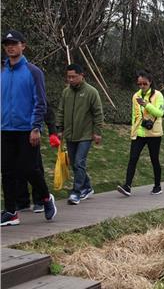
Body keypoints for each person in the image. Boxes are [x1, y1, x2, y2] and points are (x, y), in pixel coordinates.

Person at [1, 30, 57, 226]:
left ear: (23, 46)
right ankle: (11, 212)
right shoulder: (2, 72)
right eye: (7, 44)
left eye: (14, 43)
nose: (10, 47)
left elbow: (40, 102)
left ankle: (46, 198)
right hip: (6, 129)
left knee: (28, 169)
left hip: (26, 129)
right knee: (7, 171)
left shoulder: (33, 72)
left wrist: (36, 127)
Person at [56, 63, 104, 205]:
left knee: (79, 162)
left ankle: (76, 192)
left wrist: (97, 132)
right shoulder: (66, 92)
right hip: (70, 134)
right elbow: (61, 111)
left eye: (73, 77)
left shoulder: (91, 92)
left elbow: (98, 113)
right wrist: (59, 129)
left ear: (81, 75)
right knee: (74, 163)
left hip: (85, 135)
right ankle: (87, 186)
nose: (70, 79)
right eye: (68, 77)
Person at [117, 70, 164, 196]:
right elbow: (135, 115)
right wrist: (133, 130)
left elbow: (160, 113)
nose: (142, 86)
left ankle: (157, 186)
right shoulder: (135, 96)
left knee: (154, 159)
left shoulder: (158, 95)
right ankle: (127, 186)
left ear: (150, 82)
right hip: (139, 133)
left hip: (154, 133)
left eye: (145, 83)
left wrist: (146, 104)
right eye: (139, 84)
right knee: (133, 158)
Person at [16, 104, 60, 213]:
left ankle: (40, 200)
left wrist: (52, 132)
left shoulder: (34, 92)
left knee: (33, 167)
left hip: (31, 131)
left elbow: (46, 108)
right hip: (12, 131)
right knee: (17, 167)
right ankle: (22, 201)